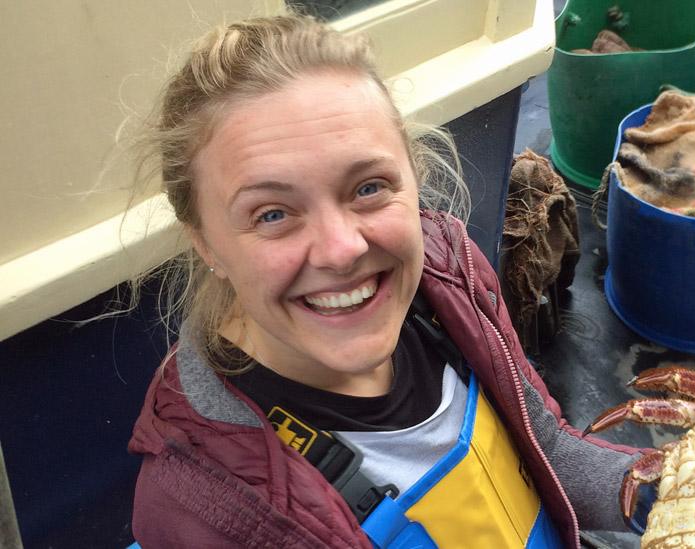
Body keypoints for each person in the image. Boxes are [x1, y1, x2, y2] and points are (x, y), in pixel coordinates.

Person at [127, 13, 646, 548]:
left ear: (413, 177)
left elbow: (546, 453)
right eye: (273, 214)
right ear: (207, 243)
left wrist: (671, 486)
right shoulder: (197, 509)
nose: (343, 249)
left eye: (368, 187)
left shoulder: (452, 285)